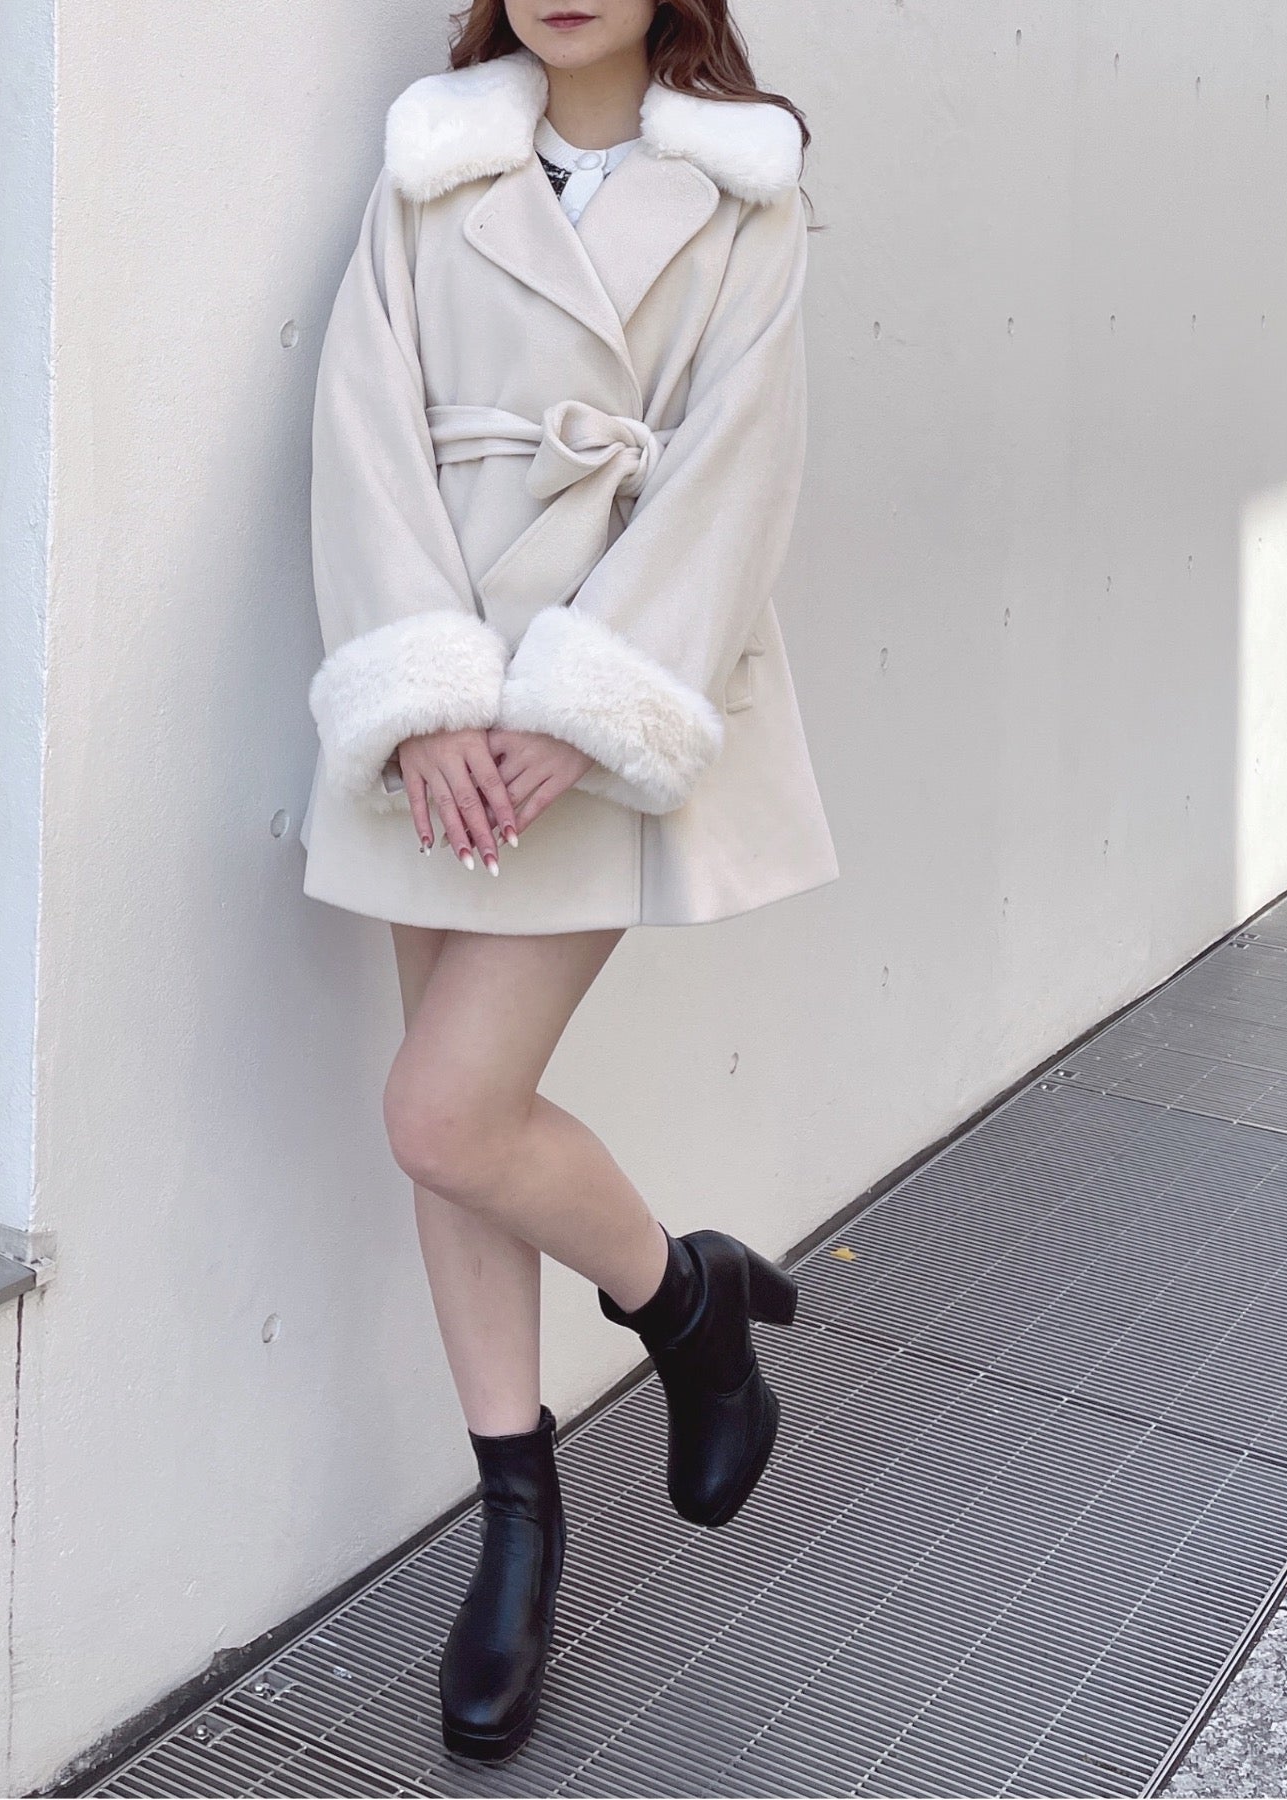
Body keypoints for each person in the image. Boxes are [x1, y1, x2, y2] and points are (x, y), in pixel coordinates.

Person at [297, 0, 840, 1766]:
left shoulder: (748, 195)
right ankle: (523, 1515)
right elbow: (361, 427)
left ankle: (688, 1308)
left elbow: (740, 475)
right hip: (443, 719)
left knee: (444, 1108)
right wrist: (426, 700)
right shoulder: (431, 164)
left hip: (593, 709)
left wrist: (579, 714)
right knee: (448, 1136)